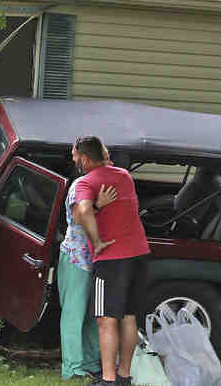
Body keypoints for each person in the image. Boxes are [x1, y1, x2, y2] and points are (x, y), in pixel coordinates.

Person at [71, 136, 151, 386]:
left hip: (111, 260)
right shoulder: (124, 176)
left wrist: (96, 241)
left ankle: (107, 381)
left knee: (106, 320)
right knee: (128, 317)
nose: (74, 161)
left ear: (84, 159)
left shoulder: (85, 182)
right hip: (138, 253)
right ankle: (123, 376)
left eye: (75, 157)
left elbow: (80, 213)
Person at [58, 147, 117, 380]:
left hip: (98, 259)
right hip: (77, 258)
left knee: (95, 315)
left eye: (110, 159)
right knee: (74, 314)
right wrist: (99, 205)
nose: (110, 163)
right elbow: (79, 217)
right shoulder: (79, 186)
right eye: (106, 159)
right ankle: (72, 369)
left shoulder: (105, 186)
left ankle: (92, 362)